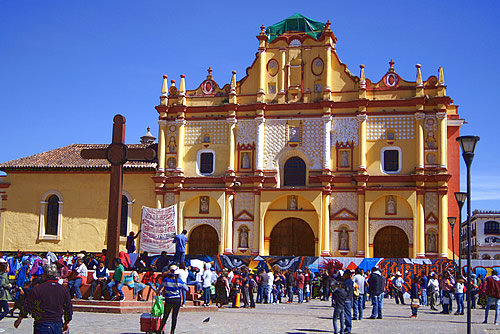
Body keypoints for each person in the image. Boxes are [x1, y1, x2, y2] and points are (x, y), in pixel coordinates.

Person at [14, 264, 73, 333]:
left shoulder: (37, 289)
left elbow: (27, 305)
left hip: (42, 324)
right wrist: (67, 321)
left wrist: (19, 319)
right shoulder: (63, 289)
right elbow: (68, 307)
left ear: (44, 275)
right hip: (57, 324)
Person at [156, 264, 188, 334]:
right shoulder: (179, 280)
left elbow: (160, 288)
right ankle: (172, 331)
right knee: (174, 316)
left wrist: (158, 291)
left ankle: (159, 330)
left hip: (168, 299)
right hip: (177, 299)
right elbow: (187, 289)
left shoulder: (166, 280)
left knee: (165, 316)